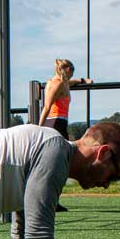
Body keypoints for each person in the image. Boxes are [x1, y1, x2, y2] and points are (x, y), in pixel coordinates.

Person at [38, 58, 92, 212]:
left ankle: (52, 201)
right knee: (60, 164)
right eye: (71, 72)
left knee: (58, 164)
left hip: (59, 123)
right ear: (66, 70)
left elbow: (70, 83)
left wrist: (82, 80)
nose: (72, 75)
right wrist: (38, 129)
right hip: (55, 124)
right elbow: (47, 106)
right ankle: (51, 201)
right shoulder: (58, 84)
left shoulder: (60, 82)